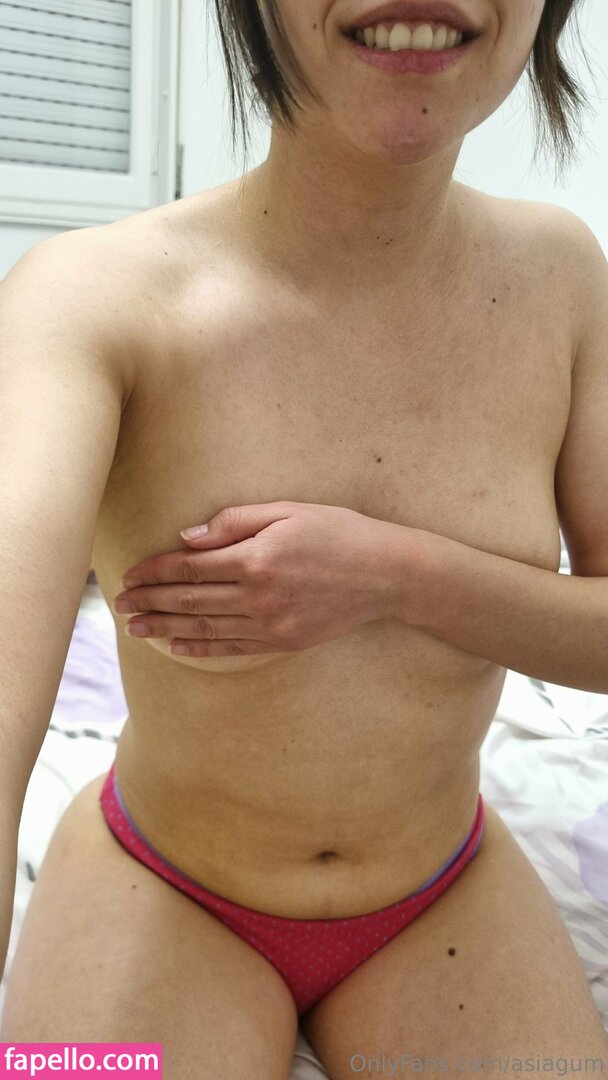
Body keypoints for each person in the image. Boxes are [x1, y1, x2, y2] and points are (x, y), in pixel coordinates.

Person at [0, 0, 607, 1073]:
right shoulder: (88, 296)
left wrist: (390, 574)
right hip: (161, 877)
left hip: (442, 885)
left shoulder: (563, 275)